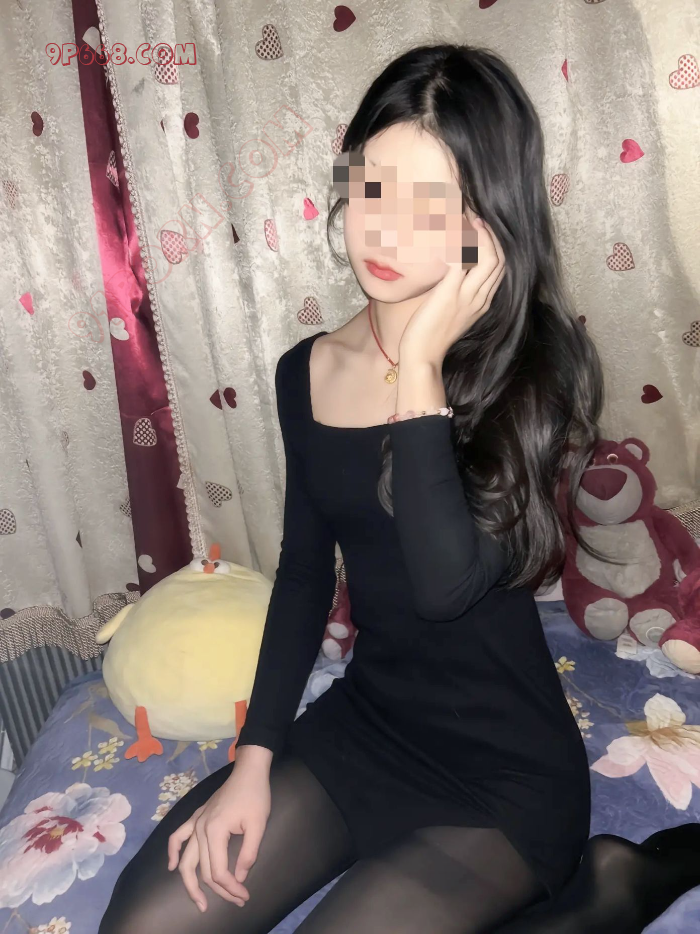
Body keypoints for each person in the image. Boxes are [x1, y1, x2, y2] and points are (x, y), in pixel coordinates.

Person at [99, 43, 700, 934]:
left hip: (504, 777)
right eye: (373, 189)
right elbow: (306, 573)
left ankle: (609, 888)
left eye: (431, 207)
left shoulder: (537, 371)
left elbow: (446, 586)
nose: (384, 233)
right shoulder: (307, 371)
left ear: (486, 225)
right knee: (143, 925)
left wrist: (419, 368)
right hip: (369, 724)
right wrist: (254, 761)